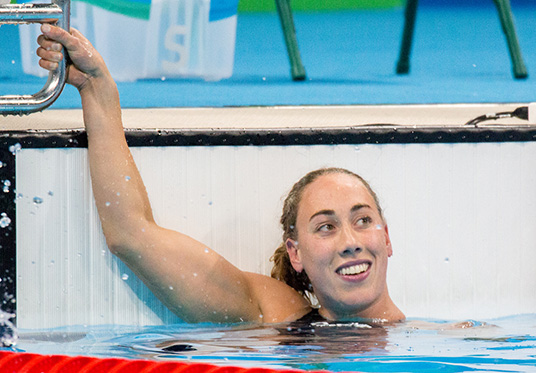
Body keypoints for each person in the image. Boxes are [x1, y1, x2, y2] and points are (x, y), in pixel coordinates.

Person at [36, 24, 405, 324]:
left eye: (363, 220)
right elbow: (131, 235)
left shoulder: (455, 339)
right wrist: (98, 88)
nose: (350, 241)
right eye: (326, 226)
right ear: (296, 253)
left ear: (386, 237)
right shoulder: (273, 315)